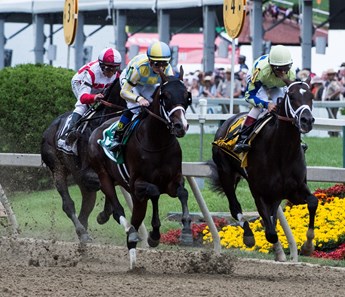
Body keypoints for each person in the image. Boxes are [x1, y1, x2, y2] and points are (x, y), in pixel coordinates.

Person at [109, 41, 174, 151]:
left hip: (148, 83)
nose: (161, 68)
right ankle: (117, 136)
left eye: (164, 64)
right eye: (157, 64)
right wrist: (138, 98)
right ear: (150, 61)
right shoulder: (140, 68)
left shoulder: (168, 70)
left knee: (153, 104)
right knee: (134, 108)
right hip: (131, 81)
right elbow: (124, 92)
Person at [233, 45, 296, 153]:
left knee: (283, 105)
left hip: (275, 84)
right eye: (279, 69)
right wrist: (267, 104)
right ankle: (242, 138)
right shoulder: (261, 71)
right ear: (272, 66)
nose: (283, 73)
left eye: (286, 68)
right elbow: (249, 96)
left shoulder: (291, 75)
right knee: (259, 108)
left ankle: (296, 138)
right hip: (259, 81)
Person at [59, 47, 122, 145]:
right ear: (101, 66)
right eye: (108, 68)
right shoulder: (92, 72)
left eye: (114, 69)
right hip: (80, 82)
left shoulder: (117, 75)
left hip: (99, 86)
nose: (111, 73)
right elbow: (83, 98)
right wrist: (93, 97)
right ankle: (68, 134)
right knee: (83, 106)